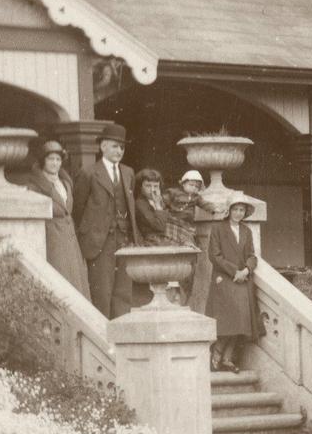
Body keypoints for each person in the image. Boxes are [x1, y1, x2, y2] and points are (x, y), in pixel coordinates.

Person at [72, 123, 142, 316]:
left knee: (123, 293)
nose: (119, 151)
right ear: (102, 146)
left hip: (124, 241)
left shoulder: (128, 173)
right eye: (114, 146)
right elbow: (77, 210)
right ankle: (103, 342)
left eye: (122, 147)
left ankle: (121, 337)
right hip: (99, 242)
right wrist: (89, 235)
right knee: (101, 293)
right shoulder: (89, 172)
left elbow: (128, 204)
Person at [20, 140, 89, 295]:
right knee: (60, 281)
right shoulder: (35, 186)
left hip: (70, 239)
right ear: (43, 161)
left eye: (58, 159)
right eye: (51, 159)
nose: (55, 163)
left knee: (76, 281)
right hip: (53, 239)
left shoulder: (65, 183)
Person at [207, 198, 264, 372]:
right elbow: (214, 255)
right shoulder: (218, 229)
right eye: (236, 209)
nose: (239, 213)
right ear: (229, 211)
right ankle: (216, 355)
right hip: (224, 279)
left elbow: (252, 255)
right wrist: (234, 272)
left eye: (242, 210)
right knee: (227, 320)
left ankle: (227, 358)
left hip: (242, 280)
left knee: (240, 321)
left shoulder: (246, 231)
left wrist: (246, 270)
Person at [165, 170, 220, 313]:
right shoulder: (173, 193)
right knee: (171, 253)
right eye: (191, 184)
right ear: (183, 183)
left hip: (187, 228)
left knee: (190, 255)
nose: (193, 188)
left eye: (196, 186)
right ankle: (172, 284)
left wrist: (216, 209)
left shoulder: (196, 198)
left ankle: (184, 291)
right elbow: (161, 203)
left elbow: (206, 205)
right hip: (172, 224)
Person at [131, 168, 178, 306]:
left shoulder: (158, 201)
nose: (153, 190)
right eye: (148, 186)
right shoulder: (140, 204)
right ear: (140, 187)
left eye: (156, 186)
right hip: (151, 243)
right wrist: (158, 206)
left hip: (162, 240)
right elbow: (159, 226)